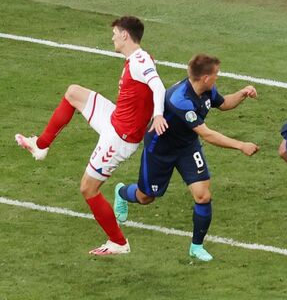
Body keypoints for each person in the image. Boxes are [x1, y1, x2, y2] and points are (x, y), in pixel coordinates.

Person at [14, 16, 168, 255]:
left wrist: (158, 115)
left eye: (115, 33)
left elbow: (158, 86)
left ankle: (118, 242)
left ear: (125, 35)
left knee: (88, 188)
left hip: (119, 137)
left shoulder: (139, 60)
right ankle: (40, 145)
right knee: (73, 93)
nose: (113, 37)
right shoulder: (135, 59)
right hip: (115, 119)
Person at [113, 54, 259, 262]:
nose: (218, 77)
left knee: (203, 196)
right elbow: (207, 134)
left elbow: (224, 103)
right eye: (216, 74)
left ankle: (196, 246)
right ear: (205, 77)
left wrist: (243, 93)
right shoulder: (180, 99)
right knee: (146, 197)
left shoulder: (207, 90)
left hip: (187, 147)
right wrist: (241, 145)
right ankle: (121, 192)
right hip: (160, 149)